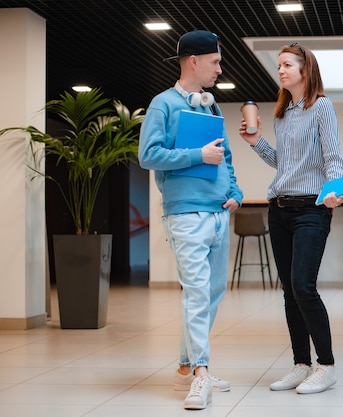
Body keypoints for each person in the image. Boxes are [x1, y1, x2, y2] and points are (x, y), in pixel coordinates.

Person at [139, 30, 243, 410]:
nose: (219, 69)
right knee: (197, 293)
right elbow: (148, 156)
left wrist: (235, 191)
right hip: (185, 215)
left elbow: (226, 156)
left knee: (213, 293)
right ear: (194, 61)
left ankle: (187, 365)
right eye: (215, 62)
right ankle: (200, 373)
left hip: (219, 213)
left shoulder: (211, 107)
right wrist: (197, 155)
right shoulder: (162, 105)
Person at [238, 42, 343, 394]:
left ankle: (326, 365)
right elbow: (281, 163)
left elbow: (333, 156)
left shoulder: (322, 107)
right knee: (289, 291)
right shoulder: (281, 114)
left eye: (287, 65)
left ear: (305, 70)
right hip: (279, 208)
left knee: (303, 286)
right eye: (280, 65)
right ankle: (301, 364)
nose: (281, 70)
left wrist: (337, 188)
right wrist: (256, 142)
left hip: (312, 210)